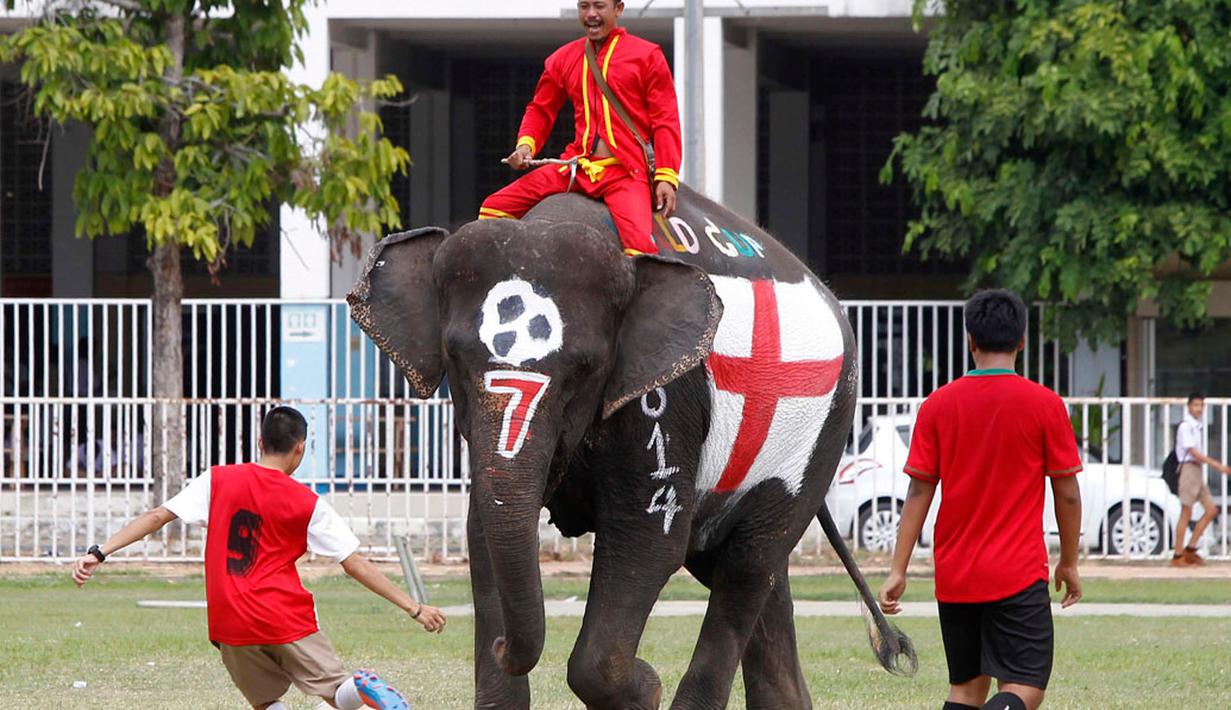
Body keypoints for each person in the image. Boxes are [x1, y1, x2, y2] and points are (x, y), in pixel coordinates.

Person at [71, 406, 446, 710]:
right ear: (300, 448)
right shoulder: (308, 502)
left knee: (266, 703)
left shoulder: (216, 480)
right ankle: (360, 689)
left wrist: (100, 552)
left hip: (229, 617)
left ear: (260, 441)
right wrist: (414, 608)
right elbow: (353, 563)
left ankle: (354, 691)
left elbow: (156, 517)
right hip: (283, 615)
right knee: (335, 691)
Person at [877, 290, 1084, 710]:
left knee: (967, 691)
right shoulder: (1045, 405)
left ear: (970, 339)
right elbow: (1067, 492)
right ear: (1022, 341)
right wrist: (1069, 561)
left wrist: (898, 568)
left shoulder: (938, 406)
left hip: (955, 575)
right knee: (1025, 687)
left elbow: (919, 489)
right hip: (1017, 573)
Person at [478, 0, 682, 256]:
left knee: (640, 250)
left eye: (599, 6)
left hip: (625, 172)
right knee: (493, 207)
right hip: (575, 167)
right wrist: (525, 146)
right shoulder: (562, 58)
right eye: (584, 7)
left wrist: (666, 176)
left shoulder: (647, 55)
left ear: (618, 9)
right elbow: (541, 109)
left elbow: (666, 119)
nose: (591, 14)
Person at [1171, 392, 1231, 566]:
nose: (1198, 409)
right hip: (1189, 470)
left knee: (1211, 510)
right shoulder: (1186, 427)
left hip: (1197, 472)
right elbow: (1193, 453)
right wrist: (1217, 465)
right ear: (1189, 406)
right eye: (1195, 405)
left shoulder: (1197, 426)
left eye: (1201, 406)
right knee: (1186, 512)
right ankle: (1177, 555)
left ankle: (1191, 549)